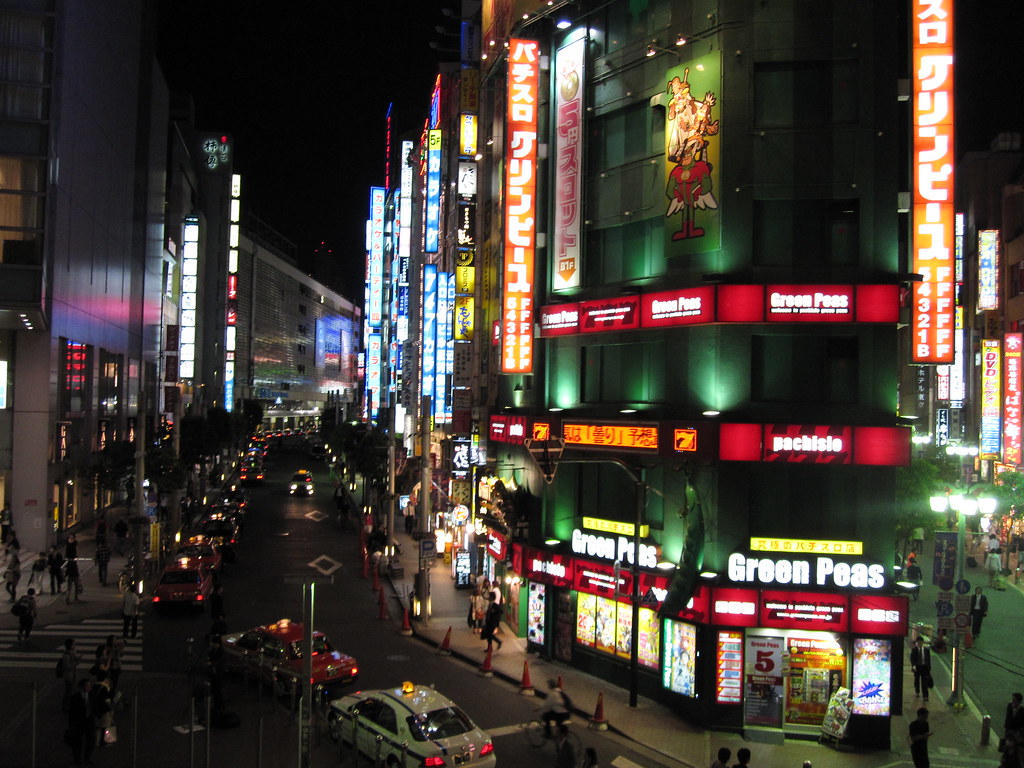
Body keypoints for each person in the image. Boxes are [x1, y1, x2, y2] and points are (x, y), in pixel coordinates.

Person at [67, 678, 96, 765]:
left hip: (89, 721)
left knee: (90, 740)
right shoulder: (75, 697)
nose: (89, 687)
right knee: (77, 741)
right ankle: (77, 759)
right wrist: (71, 724)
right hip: (79, 722)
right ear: (82, 687)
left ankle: (87, 758)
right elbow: (72, 712)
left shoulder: (91, 695)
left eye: (90, 685)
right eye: (87, 685)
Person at [61, 638, 83, 710]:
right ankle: (65, 705)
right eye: (73, 645)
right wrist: (76, 663)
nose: (74, 646)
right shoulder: (66, 655)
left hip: (73, 674)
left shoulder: (73, 652)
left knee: (70, 690)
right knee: (68, 690)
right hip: (68, 675)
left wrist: (79, 657)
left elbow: (75, 657)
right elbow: (67, 666)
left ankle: (68, 704)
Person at [910, 636, 931, 702]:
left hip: (924, 667)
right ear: (917, 643)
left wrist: (929, 668)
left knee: (924, 682)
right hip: (917, 667)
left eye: (921, 642)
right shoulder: (914, 650)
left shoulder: (926, 650)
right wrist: (913, 665)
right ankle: (917, 691)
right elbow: (912, 658)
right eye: (919, 643)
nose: (920, 644)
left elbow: (928, 660)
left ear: (923, 643)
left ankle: (925, 696)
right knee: (917, 680)